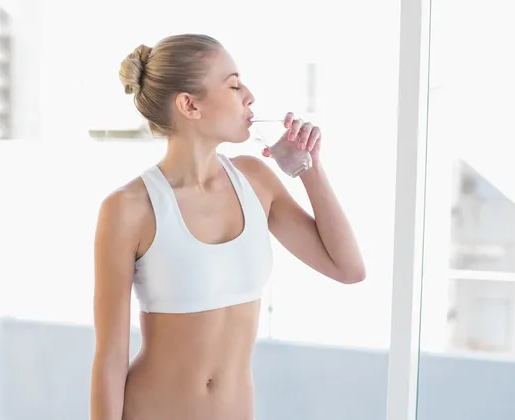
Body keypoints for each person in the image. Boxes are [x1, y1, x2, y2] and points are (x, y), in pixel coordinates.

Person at [90, 33, 366, 420]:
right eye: (234, 84)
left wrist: (309, 170)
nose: (249, 95)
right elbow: (109, 357)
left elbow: (348, 269)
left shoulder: (256, 181)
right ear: (189, 104)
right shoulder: (128, 208)